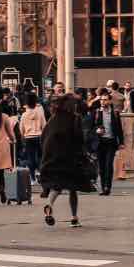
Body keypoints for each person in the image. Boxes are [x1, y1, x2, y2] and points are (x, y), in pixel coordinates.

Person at [40, 94, 93, 228]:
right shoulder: (75, 118)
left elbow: (44, 138)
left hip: (53, 158)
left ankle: (49, 204)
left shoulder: (52, 120)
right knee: (73, 189)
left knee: (56, 186)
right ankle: (74, 217)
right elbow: (79, 139)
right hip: (70, 158)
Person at [91, 91, 123, 196]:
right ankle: (103, 186)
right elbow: (91, 127)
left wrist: (121, 142)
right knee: (101, 166)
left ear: (109, 101)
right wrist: (96, 130)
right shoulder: (97, 112)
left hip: (111, 142)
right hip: (100, 142)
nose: (102, 102)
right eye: (101, 99)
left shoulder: (115, 113)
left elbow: (119, 129)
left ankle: (107, 187)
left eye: (105, 100)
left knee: (109, 165)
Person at [19, 92, 46, 184]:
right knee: (40, 156)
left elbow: (21, 129)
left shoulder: (24, 115)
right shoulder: (40, 113)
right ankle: (40, 174)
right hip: (39, 136)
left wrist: (23, 137)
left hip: (28, 137)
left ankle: (32, 178)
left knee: (30, 158)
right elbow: (44, 125)